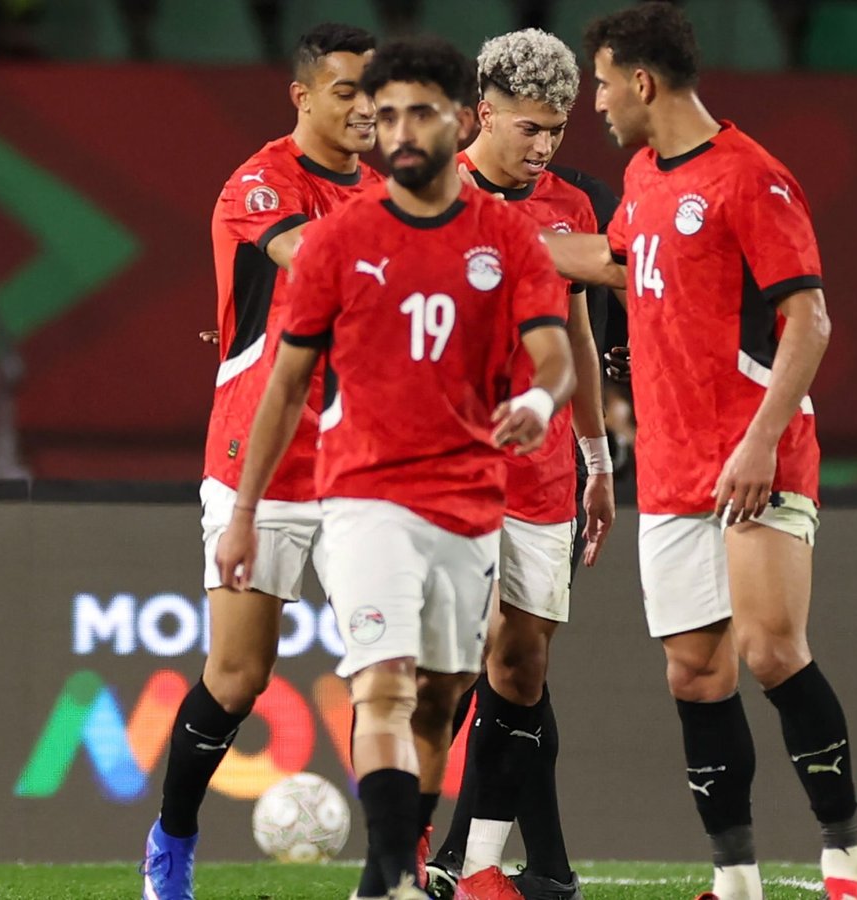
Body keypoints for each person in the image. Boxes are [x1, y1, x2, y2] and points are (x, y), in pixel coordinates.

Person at [219, 37, 576, 900]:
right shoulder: (338, 242)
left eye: (419, 112)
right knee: (381, 684)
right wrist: (244, 511)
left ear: (460, 121)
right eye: (385, 116)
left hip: (470, 503)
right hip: (366, 497)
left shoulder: (511, 241)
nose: (400, 131)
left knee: (440, 700)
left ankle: (402, 864)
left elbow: (558, 352)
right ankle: (387, 882)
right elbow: (288, 383)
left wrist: (540, 402)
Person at [544, 4, 857, 897]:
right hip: (675, 464)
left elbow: (810, 322)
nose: (597, 105)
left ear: (642, 81)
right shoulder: (645, 176)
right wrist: (492, 241)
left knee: (770, 649)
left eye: (604, 85)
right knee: (694, 672)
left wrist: (762, 439)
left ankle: (844, 860)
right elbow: (616, 260)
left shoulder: (751, 178)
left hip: (754, 454)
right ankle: (735, 879)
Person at [142, 23, 385, 900]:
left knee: (385, 677)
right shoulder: (259, 183)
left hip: (363, 466)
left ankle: (398, 864)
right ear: (305, 94)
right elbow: (311, 257)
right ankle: (171, 839)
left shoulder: (392, 193)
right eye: (350, 90)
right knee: (239, 676)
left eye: (378, 92)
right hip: (261, 459)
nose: (367, 108)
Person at [423, 29, 614, 900]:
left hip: (541, 474)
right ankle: (412, 848)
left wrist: (596, 457)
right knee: (440, 668)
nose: (543, 147)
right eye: (529, 128)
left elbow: (578, 332)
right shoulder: (421, 194)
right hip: (443, 470)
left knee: (521, 667)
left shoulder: (570, 205)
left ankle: (483, 868)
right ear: (481, 115)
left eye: (558, 130)